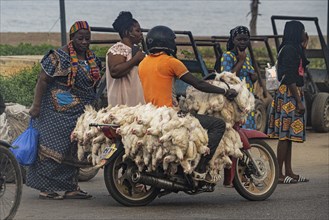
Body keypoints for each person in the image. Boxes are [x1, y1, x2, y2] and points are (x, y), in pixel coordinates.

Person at [138, 25, 238, 182]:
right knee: (218, 125)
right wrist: (225, 92)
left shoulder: (143, 63)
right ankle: (202, 167)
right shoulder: (171, 62)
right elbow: (199, 84)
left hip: (152, 113)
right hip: (170, 114)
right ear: (167, 42)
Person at [26, 21, 102, 199]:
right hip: (55, 111)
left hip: (80, 112)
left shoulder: (92, 59)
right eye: (80, 38)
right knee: (51, 149)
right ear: (71, 38)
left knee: (75, 148)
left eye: (87, 38)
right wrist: (36, 106)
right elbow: (42, 80)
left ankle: (71, 188)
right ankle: (46, 189)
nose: (84, 42)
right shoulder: (58, 57)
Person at [267, 20, 310, 184]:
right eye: (302, 31)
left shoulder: (293, 48)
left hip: (290, 93)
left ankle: (289, 171)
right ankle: (278, 174)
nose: (303, 33)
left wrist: (304, 46)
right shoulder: (290, 50)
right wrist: (298, 101)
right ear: (295, 32)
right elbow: (290, 76)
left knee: (289, 136)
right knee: (284, 136)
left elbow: (301, 67)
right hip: (289, 95)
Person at [220, 26, 257, 130]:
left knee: (248, 130)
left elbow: (250, 77)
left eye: (245, 39)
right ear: (233, 40)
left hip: (247, 100)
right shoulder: (228, 56)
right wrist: (240, 61)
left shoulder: (246, 56)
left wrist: (254, 77)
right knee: (237, 131)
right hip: (235, 100)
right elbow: (227, 78)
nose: (242, 42)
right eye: (239, 39)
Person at [106, 11, 145, 107]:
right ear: (127, 32)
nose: (141, 34)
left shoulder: (135, 49)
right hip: (122, 102)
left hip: (135, 100)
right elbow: (115, 71)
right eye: (137, 31)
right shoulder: (118, 49)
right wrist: (135, 60)